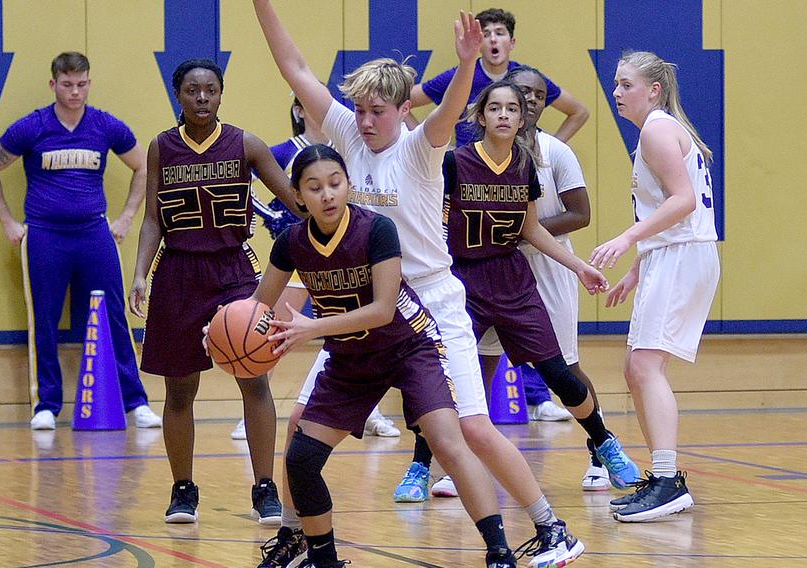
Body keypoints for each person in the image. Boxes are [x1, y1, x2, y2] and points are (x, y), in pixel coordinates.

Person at [253, 3, 584, 567]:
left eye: (376, 111)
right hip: (363, 306)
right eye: (358, 110)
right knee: (300, 421)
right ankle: (296, 536)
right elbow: (296, 68)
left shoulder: (419, 146)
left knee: (473, 429)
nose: (363, 121)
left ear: (402, 109)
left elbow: (454, 106)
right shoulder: (347, 139)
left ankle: (551, 528)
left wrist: (465, 64)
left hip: (429, 301)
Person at [240, 143, 539, 568]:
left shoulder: (376, 229)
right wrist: (220, 332)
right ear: (297, 195)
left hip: (409, 346)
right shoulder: (291, 243)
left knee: (448, 442)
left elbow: (382, 310)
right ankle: (322, 557)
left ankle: (498, 551)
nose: (327, 194)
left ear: (347, 184)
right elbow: (258, 309)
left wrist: (312, 328)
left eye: (335, 183)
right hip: (352, 359)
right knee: (302, 457)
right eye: (314, 187)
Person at [417, 79, 638, 502]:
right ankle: (419, 467)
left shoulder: (524, 165)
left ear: (523, 119)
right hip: (464, 280)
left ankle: (605, 444)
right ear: (480, 116)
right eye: (495, 108)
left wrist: (579, 267)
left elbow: (531, 227)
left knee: (560, 374)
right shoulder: (455, 163)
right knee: (448, 378)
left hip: (514, 280)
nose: (504, 115)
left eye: (512, 109)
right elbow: (436, 225)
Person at [129, 58, 301, 526]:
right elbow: (151, 219)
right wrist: (141, 273)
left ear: (221, 94)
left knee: (255, 376)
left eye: (210, 89)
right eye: (191, 90)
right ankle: (183, 489)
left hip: (234, 272)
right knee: (179, 390)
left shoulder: (245, 144)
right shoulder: (161, 148)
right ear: (178, 95)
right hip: (178, 272)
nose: (201, 97)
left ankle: (264, 487)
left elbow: (295, 200)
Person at [0, 52, 161, 431]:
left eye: (81, 84)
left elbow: (144, 165)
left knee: (114, 314)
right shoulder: (33, 126)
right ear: (53, 84)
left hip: (94, 232)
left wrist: (126, 217)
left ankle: (135, 402)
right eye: (67, 85)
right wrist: (9, 221)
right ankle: (46, 404)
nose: (75, 92)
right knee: (43, 318)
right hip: (44, 234)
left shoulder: (106, 126)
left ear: (89, 83)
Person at [591, 51, 719, 522]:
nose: (618, 92)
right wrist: (637, 270)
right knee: (634, 366)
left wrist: (627, 240)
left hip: (684, 255)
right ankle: (660, 476)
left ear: (654, 90)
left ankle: (668, 481)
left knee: (646, 365)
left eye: (626, 84)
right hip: (671, 256)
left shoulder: (656, 129)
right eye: (616, 84)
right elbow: (670, 210)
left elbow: (684, 202)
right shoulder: (658, 130)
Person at [475, 66, 611, 491]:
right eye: (522, 94)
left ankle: (601, 449)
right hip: (494, 269)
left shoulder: (555, 151)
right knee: (480, 361)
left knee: (565, 366)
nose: (531, 101)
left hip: (548, 266)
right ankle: (462, 457)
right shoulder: (476, 157)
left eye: (538, 95)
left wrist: (520, 230)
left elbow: (581, 215)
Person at [239, 98, 400, 442]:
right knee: (274, 327)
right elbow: (246, 188)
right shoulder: (284, 151)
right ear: (298, 110)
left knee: (364, 324)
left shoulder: (340, 149)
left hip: (344, 248)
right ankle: (253, 403)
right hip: (303, 252)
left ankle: (370, 409)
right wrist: (275, 217)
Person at [409, 7, 589, 146]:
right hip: (467, 170)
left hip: (513, 170)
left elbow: (579, 112)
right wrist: (424, 143)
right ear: (478, 43)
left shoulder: (527, 78)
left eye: (500, 33)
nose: (493, 39)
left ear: (512, 43)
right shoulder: (461, 76)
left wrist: (551, 150)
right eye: (486, 35)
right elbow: (403, 102)